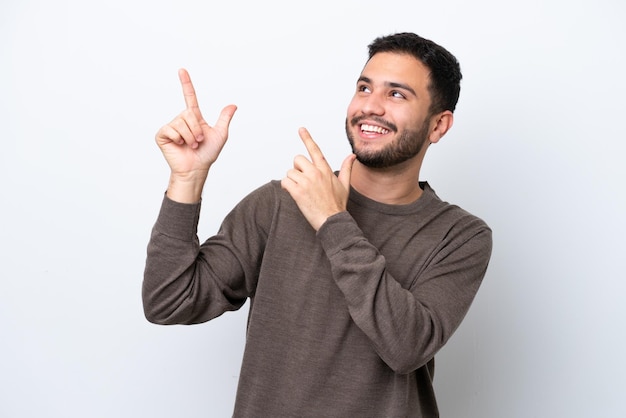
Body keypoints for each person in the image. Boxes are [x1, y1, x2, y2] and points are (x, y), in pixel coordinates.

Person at [143, 32, 492, 417]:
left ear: (438, 126)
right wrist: (187, 180)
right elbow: (168, 301)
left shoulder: (460, 236)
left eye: (396, 94)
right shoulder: (281, 202)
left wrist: (332, 220)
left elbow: (406, 347)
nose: (370, 106)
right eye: (364, 88)